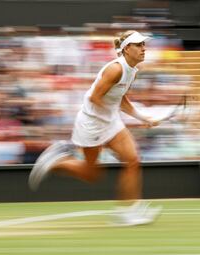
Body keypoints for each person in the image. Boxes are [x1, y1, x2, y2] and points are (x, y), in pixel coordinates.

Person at [28, 30, 162, 226]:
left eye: (144, 44)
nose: (144, 48)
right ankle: (56, 160)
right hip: (92, 124)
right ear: (126, 49)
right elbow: (94, 97)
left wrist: (142, 117)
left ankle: (129, 212)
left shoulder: (132, 70)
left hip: (109, 121)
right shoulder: (115, 69)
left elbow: (120, 98)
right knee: (91, 174)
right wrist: (108, 123)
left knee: (132, 160)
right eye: (139, 44)